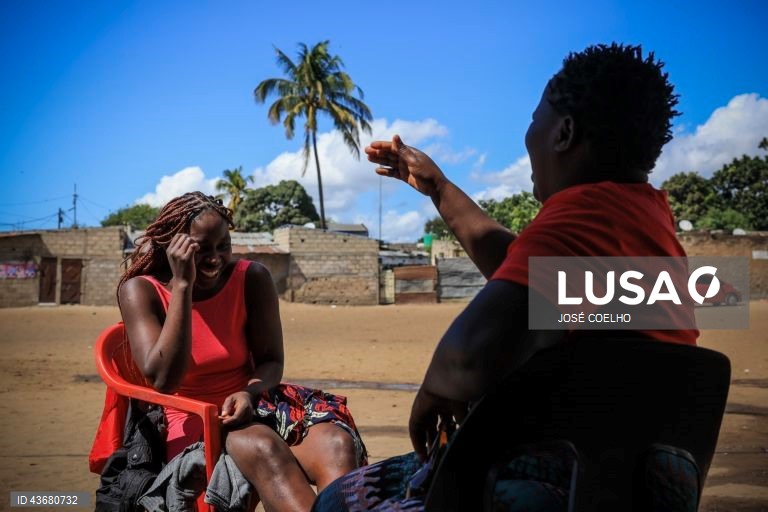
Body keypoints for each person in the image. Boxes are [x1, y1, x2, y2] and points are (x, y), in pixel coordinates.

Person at [312, 43, 698, 511]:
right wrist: (439, 187)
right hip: (630, 478)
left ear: (564, 133)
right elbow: (523, 273)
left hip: (549, 475)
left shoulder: (576, 215)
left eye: (535, 120)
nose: (528, 134)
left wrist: (435, 389)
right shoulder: (649, 222)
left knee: (339, 500)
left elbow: (468, 357)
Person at [117, 192, 366, 512]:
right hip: (195, 419)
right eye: (200, 249)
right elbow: (165, 380)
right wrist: (182, 286)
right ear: (173, 248)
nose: (215, 259)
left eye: (223, 245)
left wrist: (249, 393)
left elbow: (271, 362)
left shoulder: (251, 278)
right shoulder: (141, 290)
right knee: (262, 446)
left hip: (257, 403)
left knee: (336, 443)